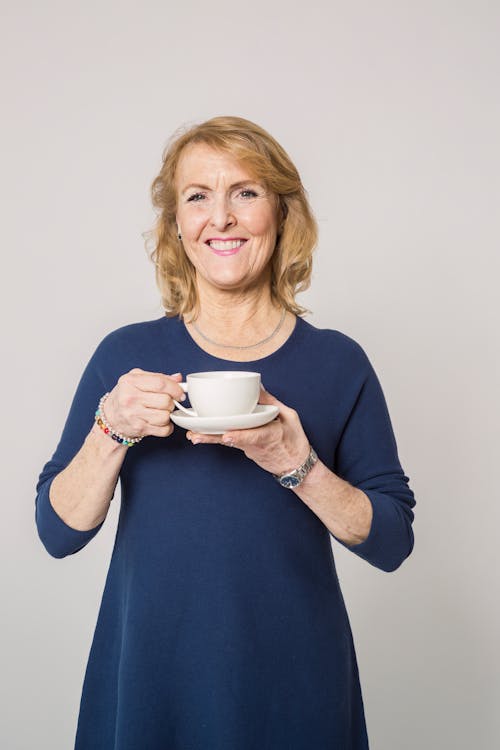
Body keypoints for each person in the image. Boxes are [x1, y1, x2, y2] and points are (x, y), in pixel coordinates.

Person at [35, 115, 416, 750]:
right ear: (176, 225)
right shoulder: (127, 357)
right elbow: (56, 533)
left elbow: (392, 541)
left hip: (295, 683)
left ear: (281, 212)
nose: (223, 217)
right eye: (197, 196)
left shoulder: (338, 364)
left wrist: (300, 464)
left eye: (245, 192)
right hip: (152, 680)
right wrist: (113, 428)